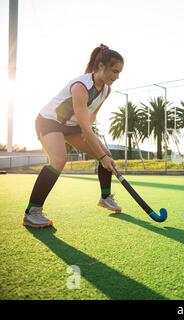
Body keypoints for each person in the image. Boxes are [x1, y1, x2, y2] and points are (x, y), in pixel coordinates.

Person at [23, 44, 124, 228]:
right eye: (114, 71)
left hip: (73, 126)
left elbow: (91, 116)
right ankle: (32, 212)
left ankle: (105, 197)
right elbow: (85, 127)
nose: (117, 77)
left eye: (119, 73)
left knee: (106, 153)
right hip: (49, 121)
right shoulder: (81, 86)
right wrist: (98, 153)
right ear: (101, 66)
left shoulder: (106, 89)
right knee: (59, 159)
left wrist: (100, 150)